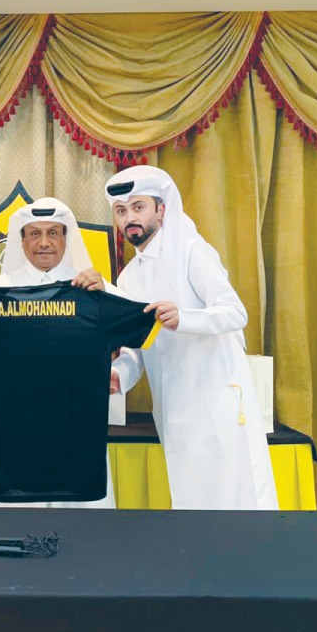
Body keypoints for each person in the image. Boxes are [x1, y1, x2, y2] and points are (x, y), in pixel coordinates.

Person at [105, 167, 277, 510]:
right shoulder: (128, 279)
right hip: (173, 408)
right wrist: (119, 375)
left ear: (161, 209)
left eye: (139, 207)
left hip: (218, 401)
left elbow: (234, 313)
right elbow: (136, 350)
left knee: (234, 498)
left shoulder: (191, 252)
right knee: (191, 501)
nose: (130, 219)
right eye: (122, 212)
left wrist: (184, 318)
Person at [0, 196, 120, 508]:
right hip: (15, 432)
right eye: (34, 234)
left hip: (78, 431)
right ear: (21, 241)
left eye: (53, 233)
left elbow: (140, 340)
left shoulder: (96, 290)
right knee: (19, 535)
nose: (44, 243)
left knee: (84, 541)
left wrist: (116, 374)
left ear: (65, 238)